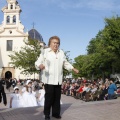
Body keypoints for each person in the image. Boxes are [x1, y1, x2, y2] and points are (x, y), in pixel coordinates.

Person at [35, 36, 79, 120]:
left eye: (57, 43)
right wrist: (40, 65)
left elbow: (65, 63)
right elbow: (37, 62)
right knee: (49, 98)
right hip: (49, 79)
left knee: (57, 98)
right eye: (54, 42)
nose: (56, 44)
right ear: (50, 44)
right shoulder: (45, 52)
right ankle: (47, 114)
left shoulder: (61, 52)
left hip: (58, 80)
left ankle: (55, 113)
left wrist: (73, 68)